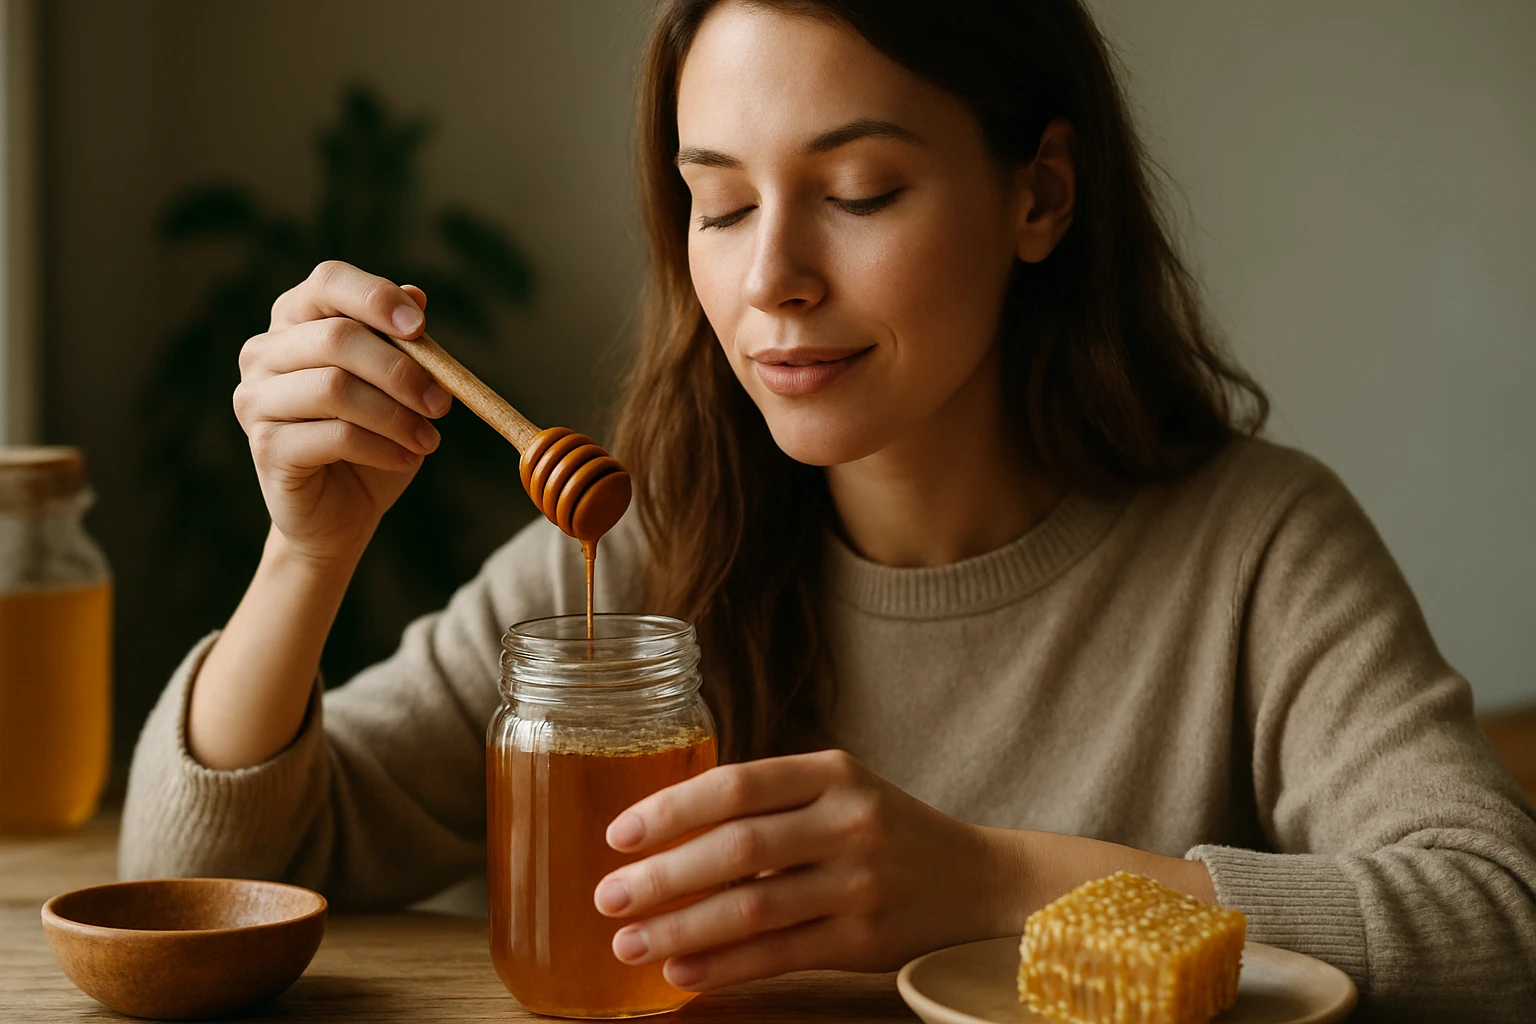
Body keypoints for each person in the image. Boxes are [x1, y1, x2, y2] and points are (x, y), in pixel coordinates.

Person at [120, 1, 1536, 1019]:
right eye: (719, 206)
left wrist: (990, 879)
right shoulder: (643, 541)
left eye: (858, 191)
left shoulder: (1257, 547)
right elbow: (194, 890)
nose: (771, 280)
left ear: (1039, 195)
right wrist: (307, 555)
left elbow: (1496, 923)